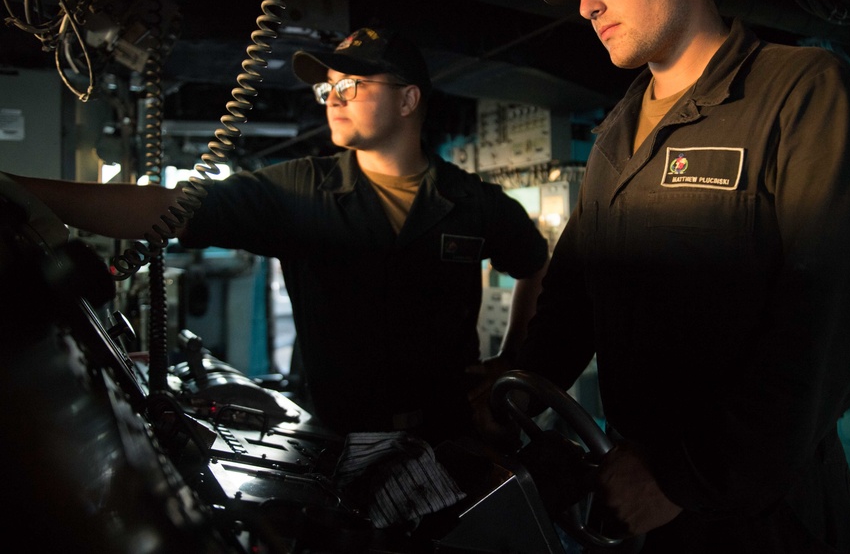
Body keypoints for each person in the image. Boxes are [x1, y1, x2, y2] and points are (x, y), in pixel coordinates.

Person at [499, 0, 850, 552]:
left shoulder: (803, 94)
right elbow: (574, 297)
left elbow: (833, 319)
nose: (586, 3)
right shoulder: (616, 137)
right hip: (639, 503)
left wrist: (683, 476)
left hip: (767, 515)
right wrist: (509, 395)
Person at [8, 25, 549, 446]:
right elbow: (171, 207)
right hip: (339, 441)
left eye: (350, 85)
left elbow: (534, 262)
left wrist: (512, 360)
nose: (332, 98)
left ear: (408, 101)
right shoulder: (300, 190)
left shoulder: (473, 202)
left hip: (453, 436)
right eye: (327, 87)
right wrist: (15, 192)